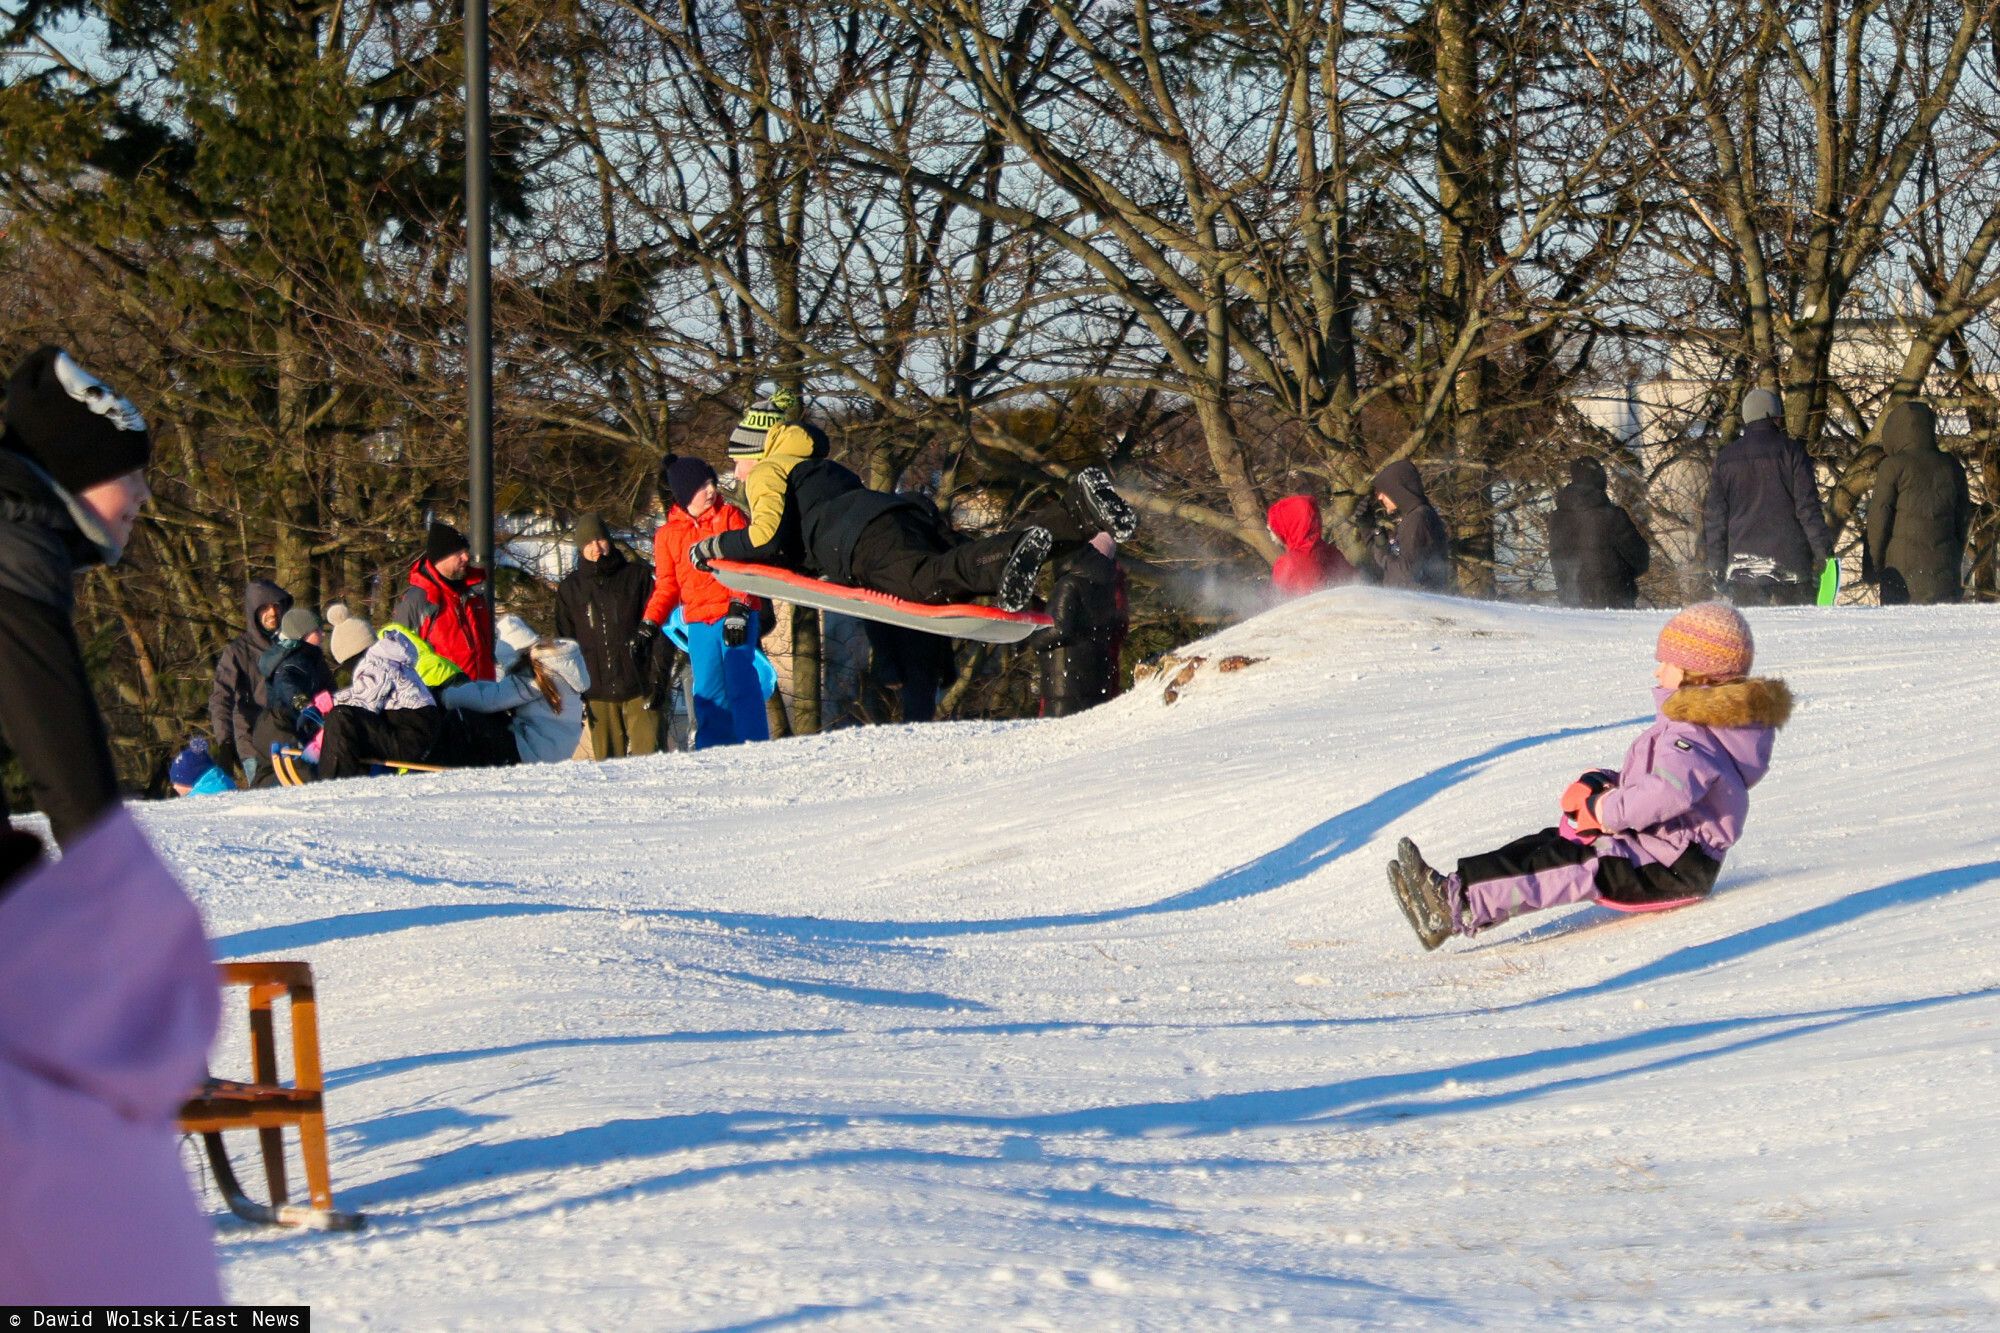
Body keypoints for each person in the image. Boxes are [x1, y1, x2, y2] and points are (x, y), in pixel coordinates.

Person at [0, 344, 222, 1300]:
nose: (138, 494)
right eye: (127, 472)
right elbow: (71, 773)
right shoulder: (12, 550)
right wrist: (129, 930)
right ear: (73, 476)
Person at [1386, 602, 1791, 951]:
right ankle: (1452, 888)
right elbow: (1663, 785)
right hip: (1656, 851)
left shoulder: (1693, 735)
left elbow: (1664, 794)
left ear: (1696, 673)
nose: (1658, 671)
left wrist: (1603, 809)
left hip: (1668, 869)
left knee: (1570, 864)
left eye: (1668, 663)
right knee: (1548, 844)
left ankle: (1449, 908)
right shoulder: (1700, 729)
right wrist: (1609, 782)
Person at [699, 395, 1139, 612]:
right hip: (901, 513)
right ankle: (1079, 512)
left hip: (864, 545)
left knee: (927, 583)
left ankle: (1008, 560)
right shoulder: (819, 467)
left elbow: (766, 537)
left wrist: (715, 548)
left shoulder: (768, 472)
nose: (735, 474)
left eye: (737, 462)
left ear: (756, 453)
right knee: (960, 564)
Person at [639, 455, 772, 748]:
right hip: (699, 621)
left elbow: (746, 567)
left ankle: (756, 746)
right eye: (703, 486)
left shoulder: (730, 517)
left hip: (734, 615)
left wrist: (740, 607)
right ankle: (713, 751)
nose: (711, 489)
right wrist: (650, 623)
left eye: (711, 482)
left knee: (740, 683)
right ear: (686, 493)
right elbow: (667, 585)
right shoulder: (667, 535)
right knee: (708, 691)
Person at [1702, 389, 1833, 606]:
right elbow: (1807, 508)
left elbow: (1716, 517)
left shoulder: (1725, 459)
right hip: (1790, 563)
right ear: (1775, 416)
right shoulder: (1792, 452)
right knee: (1794, 634)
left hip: (1742, 568)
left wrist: (1716, 562)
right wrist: (1823, 553)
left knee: (1755, 634)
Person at [556, 511, 659, 758]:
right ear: (580, 547)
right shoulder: (571, 589)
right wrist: (574, 690)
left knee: (651, 761)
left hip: (639, 683)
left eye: (600, 540)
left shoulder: (638, 576)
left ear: (609, 540)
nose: (596, 548)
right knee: (608, 767)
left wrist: (657, 678)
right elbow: (565, 642)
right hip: (597, 689)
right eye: (588, 543)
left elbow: (658, 628)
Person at [439, 614, 592, 765]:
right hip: (553, 748)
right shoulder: (550, 666)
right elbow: (498, 691)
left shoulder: (534, 675)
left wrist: (446, 696)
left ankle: (436, 765)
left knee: (461, 717)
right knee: (494, 717)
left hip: (536, 753)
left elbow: (489, 701)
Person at [1864, 400, 1971, 605]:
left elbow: (1879, 517)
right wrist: (1954, 554)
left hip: (1900, 575)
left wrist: (1875, 566)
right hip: (1946, 572)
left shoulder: (1893, 466)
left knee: (1901, 634)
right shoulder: (1952, 466)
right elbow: (1963, 519)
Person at [316, 627, 443, 780]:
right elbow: (364, 693)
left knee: (341, 718)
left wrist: (328, 705)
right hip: (415, 732)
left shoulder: (375, 663)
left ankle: (334, 783)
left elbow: (364, 703)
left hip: (410, 738)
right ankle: (354, 778)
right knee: (353, 724)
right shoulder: (385, 658)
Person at [207, 579, 291, 784]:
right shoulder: (237, 652)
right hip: (255, 745)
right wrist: (225, 743)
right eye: (265, 607)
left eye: (276, 606)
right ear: (254, 612)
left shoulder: (291, 645)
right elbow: (221, 698)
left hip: (291, 739)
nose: (272, 612)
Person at [1038, 532, 1128, 717]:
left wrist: (1032, 635)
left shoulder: (1070, 582)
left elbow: (1059, 629)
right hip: (1095, 680)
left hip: (1064, 683)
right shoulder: (1107, 588)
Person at [391, 519, 494, 681]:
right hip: (445, 697)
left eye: (466, 551)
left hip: (485, 692)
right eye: (458, 553)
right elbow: (398, 654)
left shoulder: (473, 593)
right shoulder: (419, 599)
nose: (466, 557)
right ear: (440, 557)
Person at [245, 606, 334, 785]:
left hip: (287, 722)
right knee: (297, 769)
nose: (323, 635)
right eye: (317, 631)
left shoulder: (309, 657)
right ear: (303, 634)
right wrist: (302, 702)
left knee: (272, 773)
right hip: (279, 722)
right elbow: (285, 682)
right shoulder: (295, 658)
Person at [1547, 456, 1650, 609]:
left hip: (1571, 606)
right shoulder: (1613, 516)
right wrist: (1624, 576)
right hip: (1615, 603)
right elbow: (1641, 559)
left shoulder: (1555, 519)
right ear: (1600, 481)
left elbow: (1558, 564)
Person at [1368, 460, 1454, 593]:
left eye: (1384, 490)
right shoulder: (1415, 517)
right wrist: (1367, 530)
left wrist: (1382, 553)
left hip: (1418, 608)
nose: (1380, 497)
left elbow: (1405, 575)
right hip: (1413, 605)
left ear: (1397, 489)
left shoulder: (1418, 520)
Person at [1267, 494, 1355, 597]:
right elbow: (1355, 581)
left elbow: (1276, 602)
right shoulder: (1333, 553)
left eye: (1273, 529)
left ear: (1288, 526)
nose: (1271, 535)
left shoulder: (1288, 564)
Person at [168, 737, 237, 796]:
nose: (174, 787)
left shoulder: (200, 798)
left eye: (178, 782)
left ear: (192, 781)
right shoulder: (220, 782)